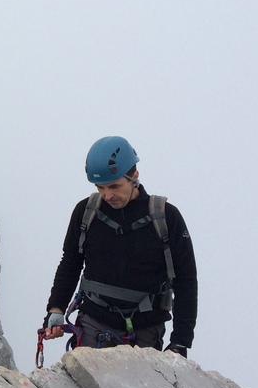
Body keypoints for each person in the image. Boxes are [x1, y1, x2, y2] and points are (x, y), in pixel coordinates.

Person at [43, 136, 197, 356]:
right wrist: (56, 308)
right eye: (100, 187)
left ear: (134, 176)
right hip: (93, 324)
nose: (107, 195)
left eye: (114, 186)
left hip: (145, 329)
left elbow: (186, 279)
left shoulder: (166, 217)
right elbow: (70, 262)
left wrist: (181, 341)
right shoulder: (86, 212)